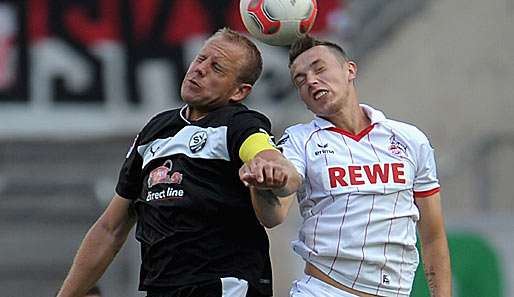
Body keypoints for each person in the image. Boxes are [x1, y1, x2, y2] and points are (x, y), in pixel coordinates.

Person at [56, 28, 297, 297]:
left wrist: (273, 168)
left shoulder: (238, 124)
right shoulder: (155, 131)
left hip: (223, 285)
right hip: (162, 287)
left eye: (216, 67)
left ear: (239, 91)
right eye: (200, 59)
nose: (199, 70)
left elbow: (265, 153)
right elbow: (109, 228)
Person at [241, 35, 452, 297]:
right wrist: (264, 186)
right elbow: (273, 215)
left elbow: (433, 236)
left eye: (319, 69)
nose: (311, 80)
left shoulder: (410, 139)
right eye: (300, 79)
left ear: (349, 70)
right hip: (324, 291)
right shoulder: (299, 139)